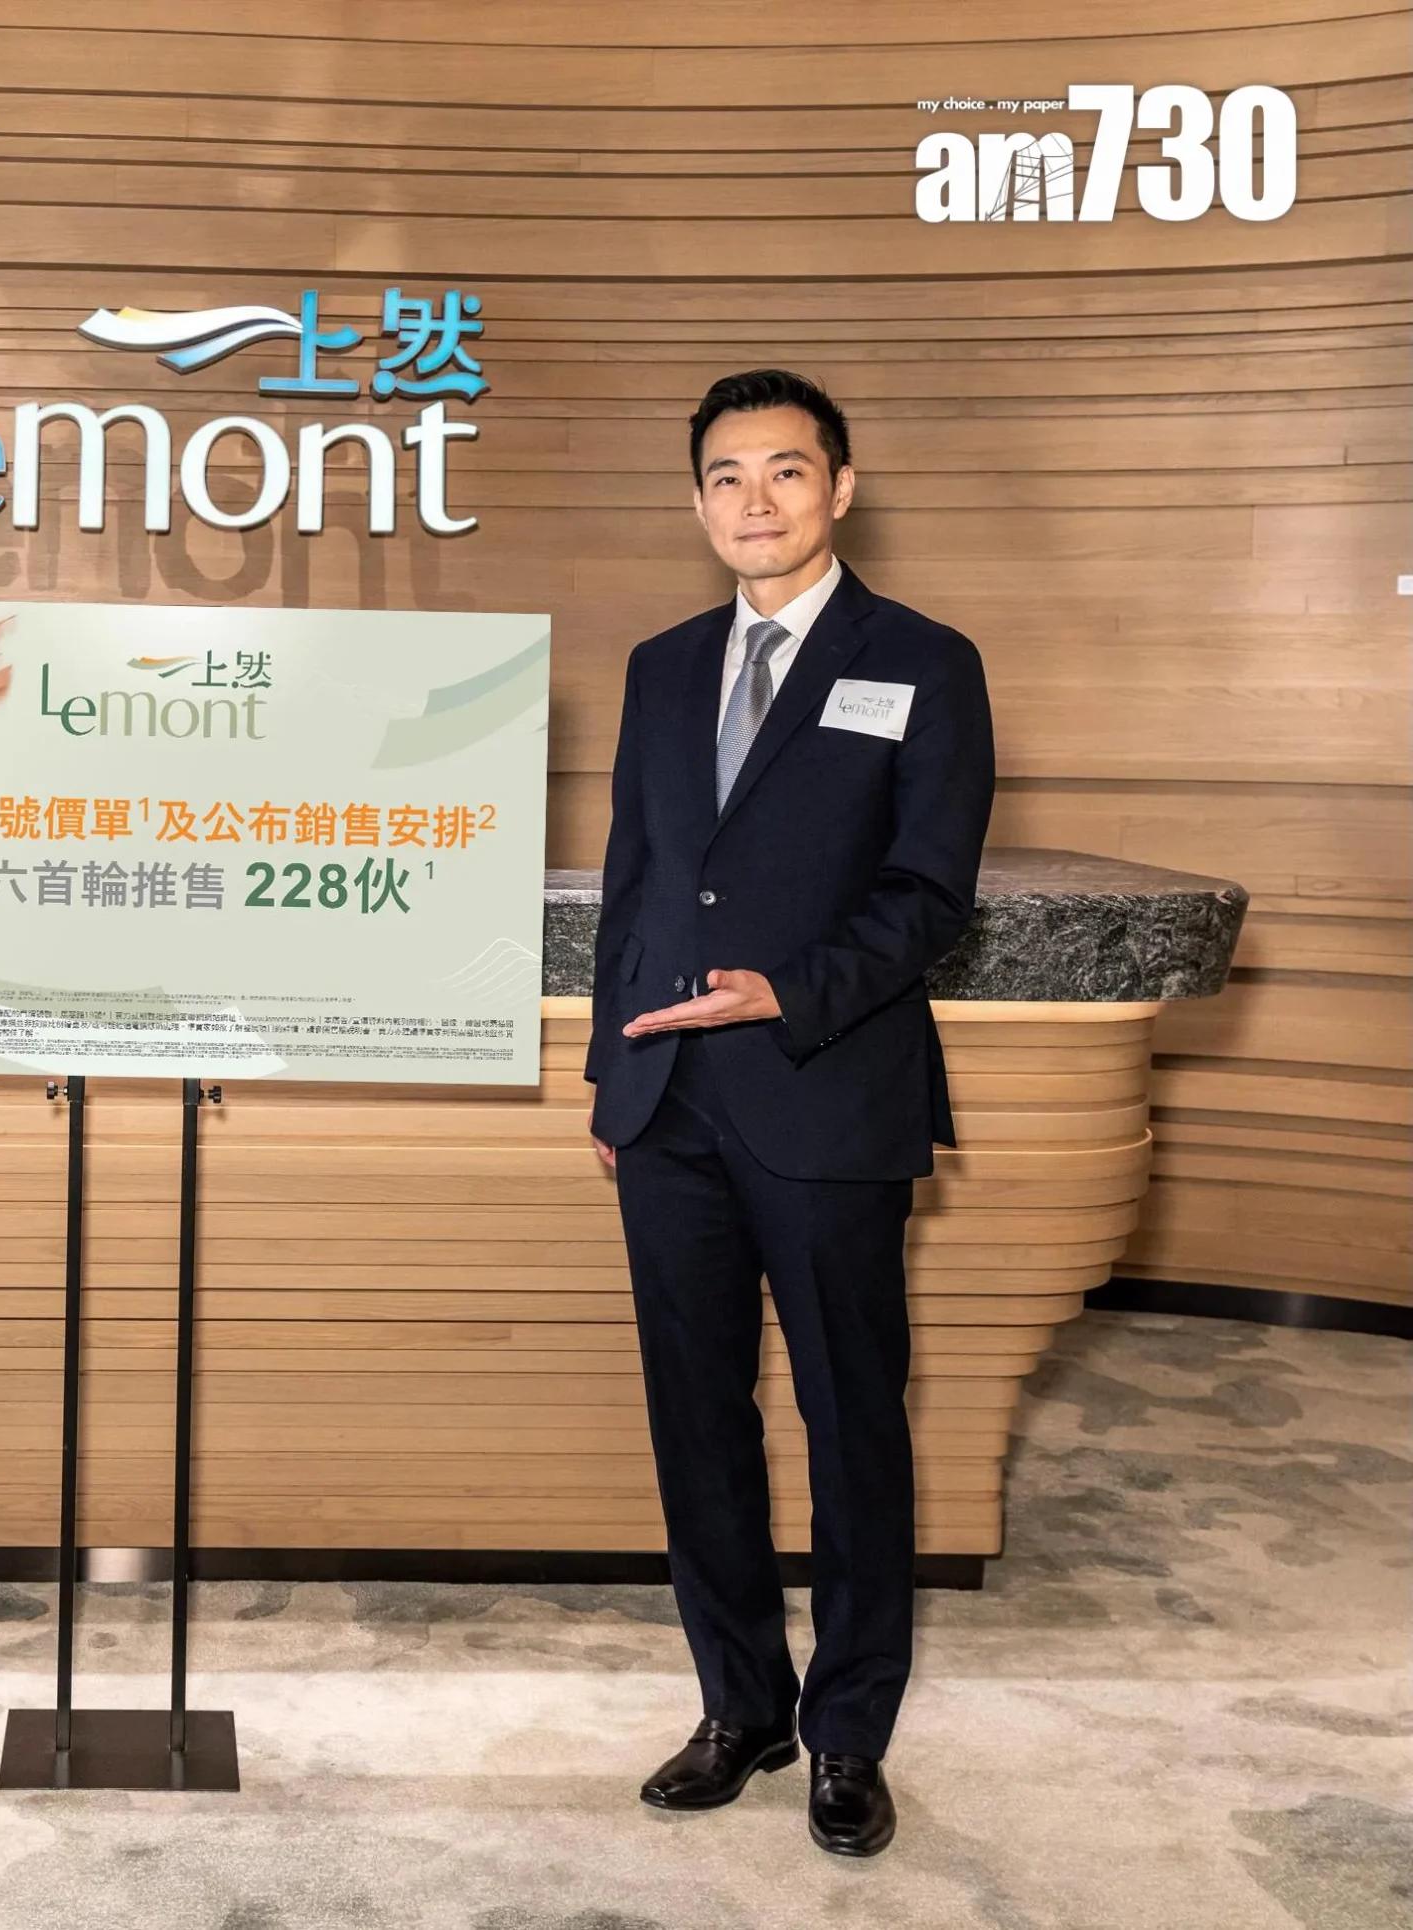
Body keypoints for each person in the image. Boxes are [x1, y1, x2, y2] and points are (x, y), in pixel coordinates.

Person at [584, 369, 994, 1857]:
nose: (754, 501)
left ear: (841, 487)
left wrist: (786, 991)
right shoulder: (662, 665)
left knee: (850, 1418)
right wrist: (612, 1077)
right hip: (667, 1106)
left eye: (785, 471)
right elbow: (636, 881)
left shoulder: (923, 661)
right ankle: (739, 1702)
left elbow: (930, 893)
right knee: (697, 1417)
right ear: (696, 501)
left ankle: (849, 1730)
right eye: (726, 476)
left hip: (828, 1090)